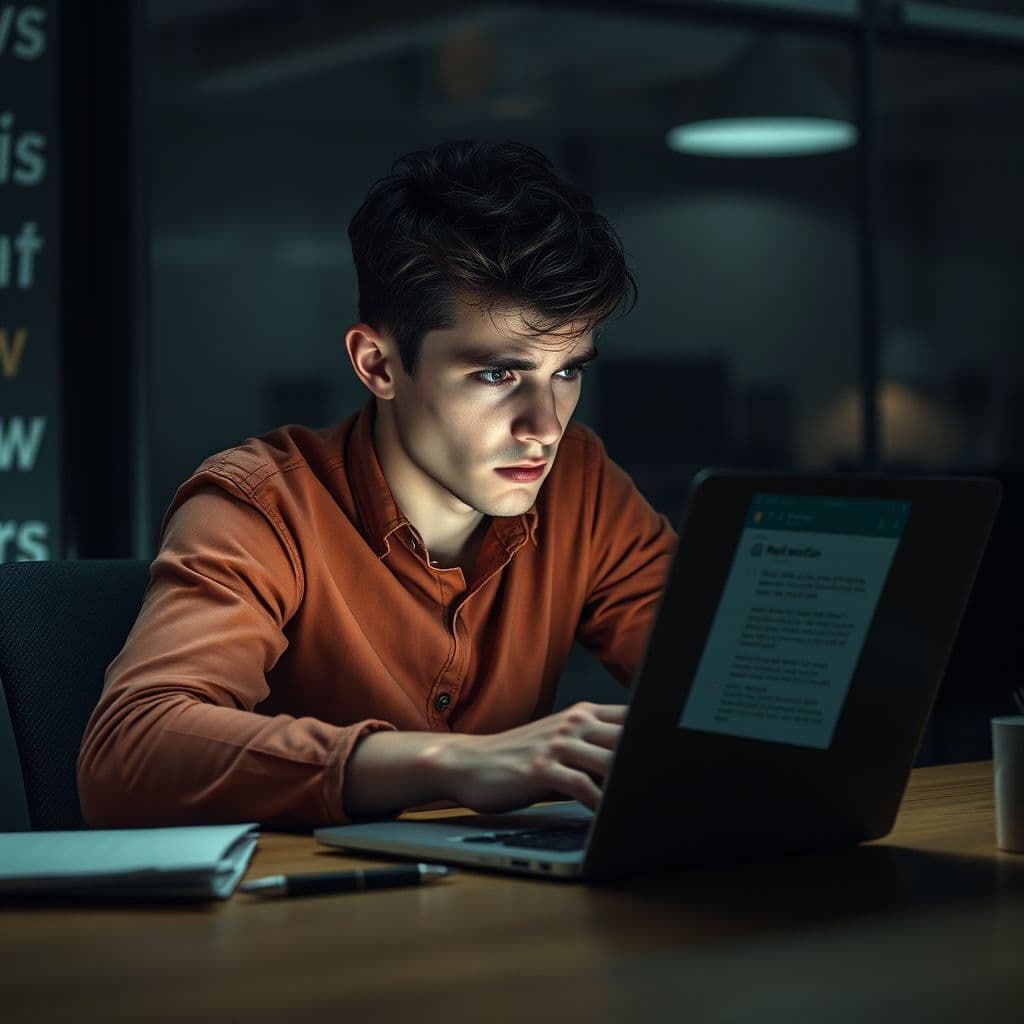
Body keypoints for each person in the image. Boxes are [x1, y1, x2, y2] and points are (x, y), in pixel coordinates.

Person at [77, 140, 677, 828]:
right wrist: (450, 762)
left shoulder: (581, 484)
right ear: (378, 365)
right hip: (304, 895)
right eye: (497, 374)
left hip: (508, 893)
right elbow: (127, 754)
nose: (544, 427)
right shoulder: (260, 505)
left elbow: (718, 679)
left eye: (566, 371)